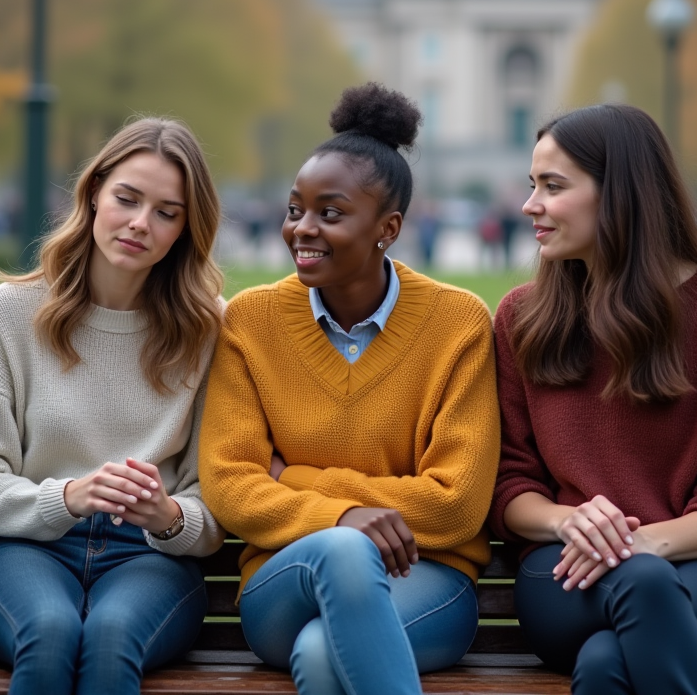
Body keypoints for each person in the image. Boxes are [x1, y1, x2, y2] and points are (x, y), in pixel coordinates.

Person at [199, 82, 501, 695]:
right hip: (283, 581)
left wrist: (298, 481)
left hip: (430, 579)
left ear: (386, 228)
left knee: (321, 652)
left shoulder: (458, 324)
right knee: (341, 551)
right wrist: (345, 517)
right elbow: (230, 484)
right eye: (294, 209)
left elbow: (457, 503)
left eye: (330, 214)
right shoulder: (250, 322)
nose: (301, 229)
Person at [491, 103, 697, 695]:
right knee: (638, 591)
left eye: (553, 186)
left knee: (606, 661)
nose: (530, 205)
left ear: (619, 194)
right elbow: (507, 484)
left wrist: (642, 544)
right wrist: (570, 520)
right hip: (564, 572)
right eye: (531, 185)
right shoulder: (523, 318)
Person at [0, 117, 226, 695]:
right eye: (127, 198)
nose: (139, 224)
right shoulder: (11, 312)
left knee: (111, 636)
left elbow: (215, 504)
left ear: (185, 228)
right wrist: (67, 497)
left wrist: (169, 517)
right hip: (26, 548)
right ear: (95, 191)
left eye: (166, 212)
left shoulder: (208, 329)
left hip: (150, 558)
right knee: (50, 632)